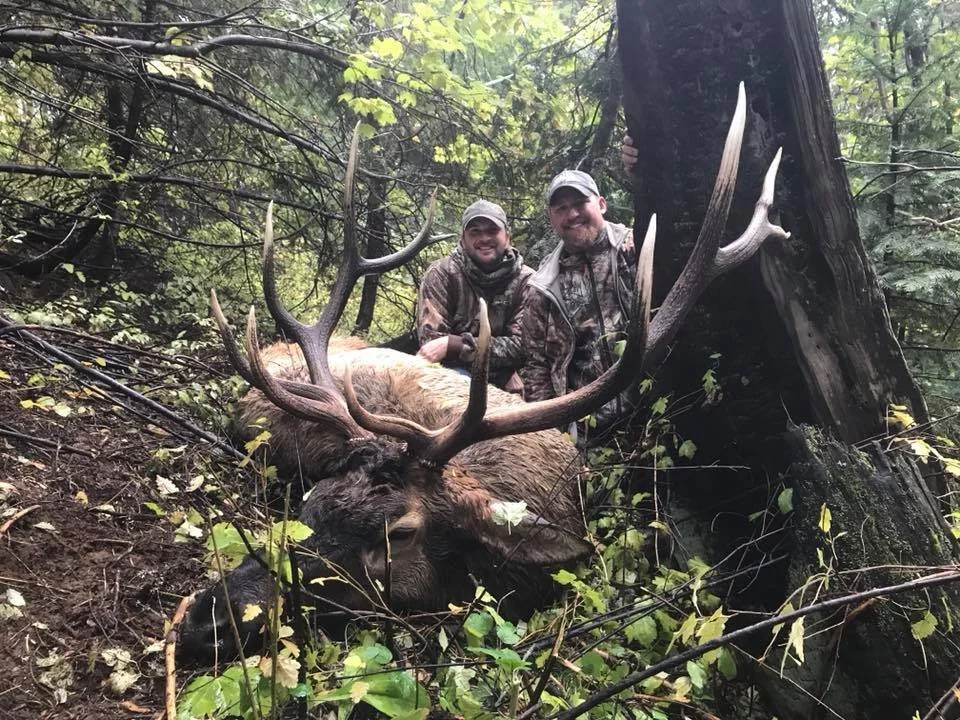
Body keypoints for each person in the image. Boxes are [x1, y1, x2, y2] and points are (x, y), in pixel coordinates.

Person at [521, 169, 637, 440]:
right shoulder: (543, 287)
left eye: (580, 203)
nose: (572, 214)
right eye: (561, 208)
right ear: (552, 219)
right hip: (590, 434)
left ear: (601, 204)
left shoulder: (636, 248)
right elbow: (537, 368)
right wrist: (549, 437)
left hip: (657, 411)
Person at [416, 200, 532, 392]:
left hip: (503, 380)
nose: (484, 238)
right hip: (447, 378)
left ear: (507, 237)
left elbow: (523, 347)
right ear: (462, 240)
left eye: (492, 231)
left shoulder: (527, 281)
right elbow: (431, 345)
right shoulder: (441, 274)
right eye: (475, 232)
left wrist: (454, 345)